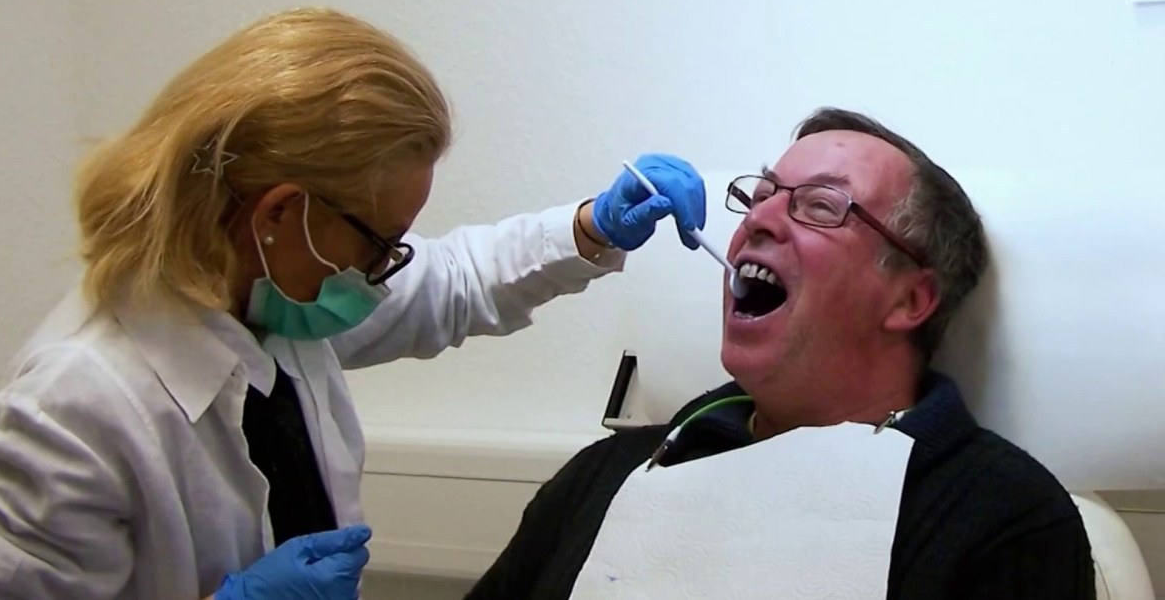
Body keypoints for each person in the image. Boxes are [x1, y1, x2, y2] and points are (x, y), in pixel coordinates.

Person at [0, 7, 709, 600]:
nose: (385, 272)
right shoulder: (68, 414)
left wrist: (590, 227)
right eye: (382, 242)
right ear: (278, 213)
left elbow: (454, 280)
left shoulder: (270, 303)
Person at [466, 107, 1096, 600]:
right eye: (759, 195)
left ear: (909, 299)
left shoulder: (1003, 520)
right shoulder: (603, 479)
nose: (758, 219)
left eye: (820, 205)